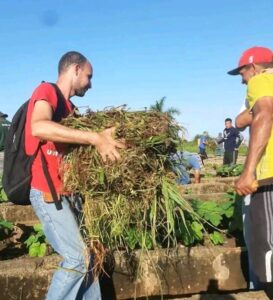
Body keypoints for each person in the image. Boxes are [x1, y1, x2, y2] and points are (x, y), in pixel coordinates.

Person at [25, 51, 125, 300]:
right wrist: (94, 137)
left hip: (70, 193)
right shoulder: (47, 92)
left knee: (91, 256)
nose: (91, 84)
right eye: (89, 77)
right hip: (48, 193)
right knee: (76, 258)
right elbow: (38, 126)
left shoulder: (72, 110)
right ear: (76, 69)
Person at [228, 46, 273, 298]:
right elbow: (248, 116)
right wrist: (243, 116)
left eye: (242, 73)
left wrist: (248, 172)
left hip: (269, 179)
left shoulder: (261, 81)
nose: (243, 80)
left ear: (253, 68)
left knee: (266, 252)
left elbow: (265, 114)